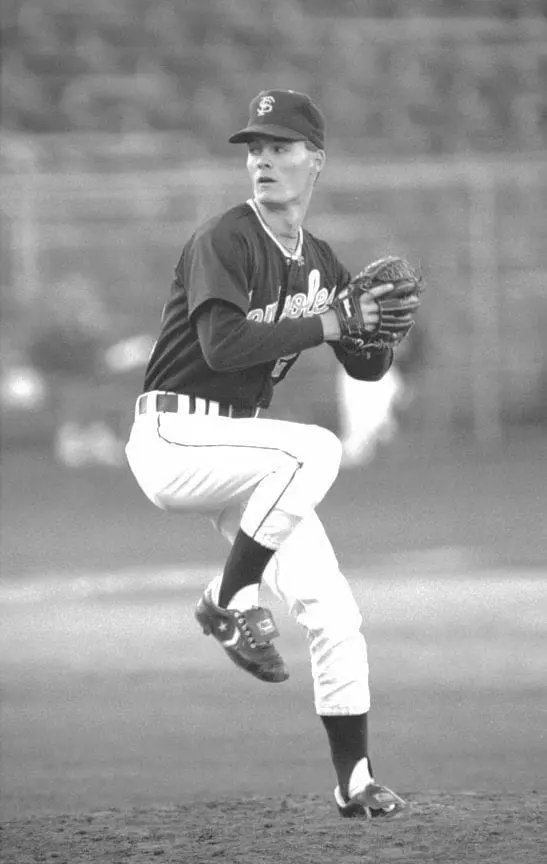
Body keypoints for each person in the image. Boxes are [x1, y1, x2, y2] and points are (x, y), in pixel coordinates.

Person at [125, 89, 407, 819]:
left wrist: (375, 333)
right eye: (255, 148)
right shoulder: (225, 239)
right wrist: (331, 321)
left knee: (333, 613)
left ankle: (354, 782)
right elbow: (223, 347)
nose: (263, 160)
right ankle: (229, 597)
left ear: (316, 161)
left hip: (243, 458)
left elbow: (362, 366)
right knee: (315, 448)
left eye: (280, 147)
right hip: (175, 436)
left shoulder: (319, 260)